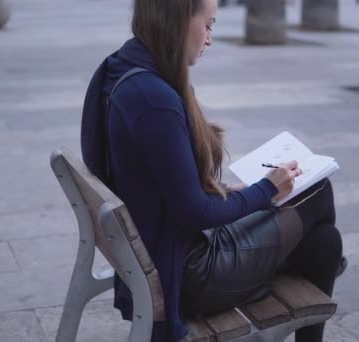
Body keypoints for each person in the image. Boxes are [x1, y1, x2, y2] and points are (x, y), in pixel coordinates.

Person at [80, 0, 343, 341]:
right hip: (187, 274)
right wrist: (265, 190)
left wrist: (234, 192)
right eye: (208, 25)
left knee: (325, 242)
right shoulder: (154, 98)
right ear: (177, 20)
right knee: (318, 191)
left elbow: (167, 186)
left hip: (164, 247)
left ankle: (316, 256)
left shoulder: (123, 68)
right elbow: (195, 212)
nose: (209, 38)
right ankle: (313, 260)